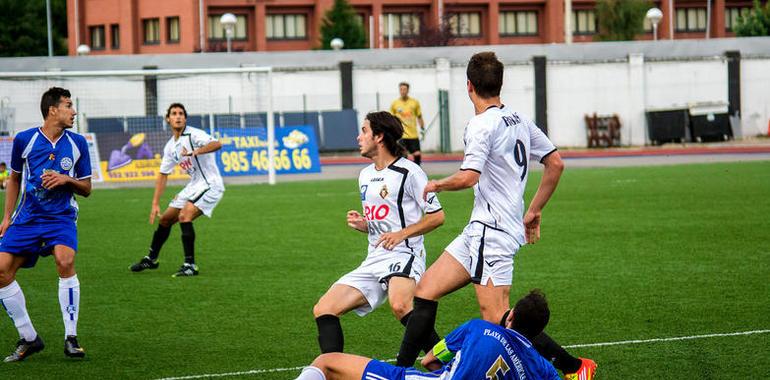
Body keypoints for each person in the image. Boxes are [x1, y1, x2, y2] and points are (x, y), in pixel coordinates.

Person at [396, 52, 596, 379]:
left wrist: (437, 184)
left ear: (469, 86)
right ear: (499, 84)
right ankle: (405, 371)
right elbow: (555, 163)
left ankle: (574, 368)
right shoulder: (517, 118)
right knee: (426, 289)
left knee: (499, 322)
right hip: (480, 229)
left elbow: (468, 176)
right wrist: (533, 211)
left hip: (493, 233)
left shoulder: (480, 124)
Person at [313, 111, 444, 355]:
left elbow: (437, 216)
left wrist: (402, 234)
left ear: (380, 137)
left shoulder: (411, 172)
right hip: (374, 258)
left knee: (401, 305)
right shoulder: (365, 175)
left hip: (405, 253)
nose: (358, 137)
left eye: (364, 131)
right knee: (324, 308)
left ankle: (446, 359)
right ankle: (334, 369)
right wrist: (366, 225)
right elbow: (384, 223)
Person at [0, 87, 92, 361]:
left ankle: (71, 337)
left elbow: (86, 188)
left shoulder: (77, 143)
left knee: (65, 261)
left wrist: (67, 180)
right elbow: (14, 178)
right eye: (68, 105)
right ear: (53, 110)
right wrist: (6, 217)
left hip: (61, 217)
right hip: (27, 218)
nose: (73, 111)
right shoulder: (24, 140)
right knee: (1, 271)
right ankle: (29, 337)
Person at [296, 290, 562, 380]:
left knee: (327, 363)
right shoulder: (544, 370)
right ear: (538, 333)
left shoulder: (479, 328)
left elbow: (430, 360)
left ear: (511, 316)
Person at [129, 103, 224, 277]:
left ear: (185, 118)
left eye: (181, 113)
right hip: (194, 185)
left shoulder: (194, 134)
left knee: (184, 216)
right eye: (174, 113)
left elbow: (217, 144)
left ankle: (190, 265)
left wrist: (196, 151)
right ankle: (151, 259)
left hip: (211, 184)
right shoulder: (170, 147)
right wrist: (155, 202)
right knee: (165, 220)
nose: (178, 116)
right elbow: (163, 174)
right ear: (168, 119)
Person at [390, 82, 425, 166]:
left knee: (417, 154)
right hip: (401, 135)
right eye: (401, 89)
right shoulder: (395, 103)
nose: (403, 91)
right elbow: (391, 118)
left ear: (408, 90)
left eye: (404, 89)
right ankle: (404, 173)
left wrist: (422, 128)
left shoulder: (414, 102)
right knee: (402, 156)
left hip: (413, 134)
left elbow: (419, 116)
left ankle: (417, 171)